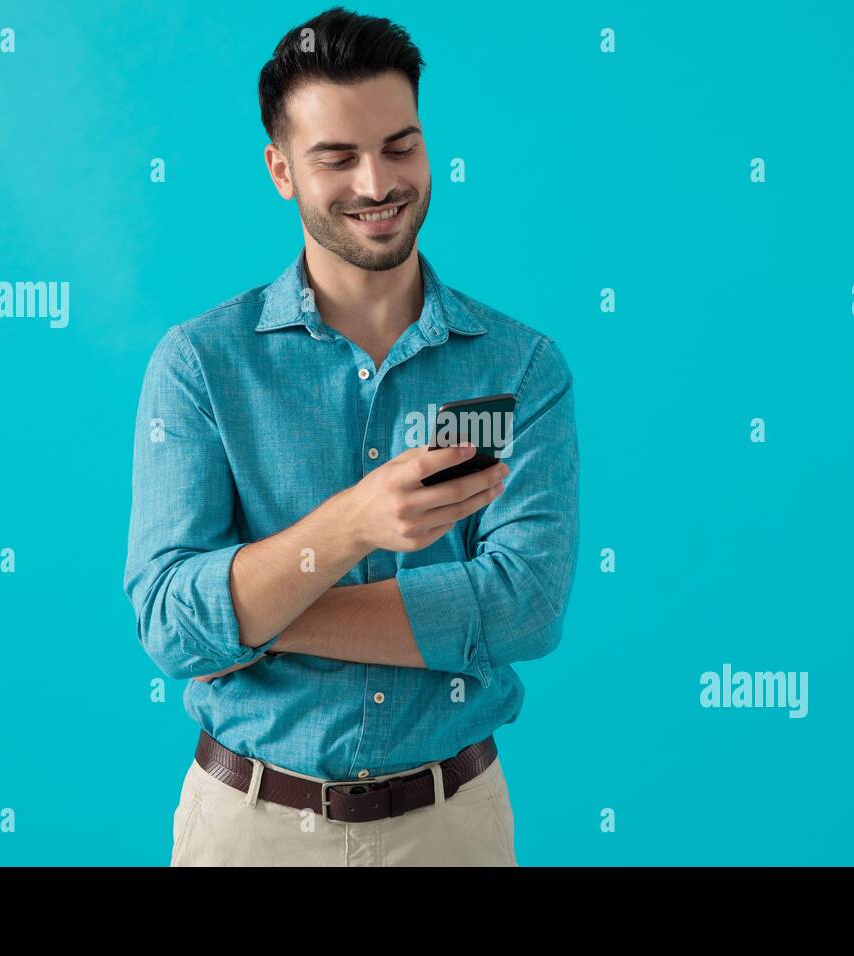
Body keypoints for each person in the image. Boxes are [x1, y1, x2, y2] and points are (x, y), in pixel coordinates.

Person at [123, 5, 579, 866]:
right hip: (248, 828)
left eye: (400, 146)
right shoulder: (198, 364)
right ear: (282, 170)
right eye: (337, 157)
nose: (377, 182)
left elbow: (524, 607)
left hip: (454, 827)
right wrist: (354, 526)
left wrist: (259, 613)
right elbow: (172, 628)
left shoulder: (521, 368)